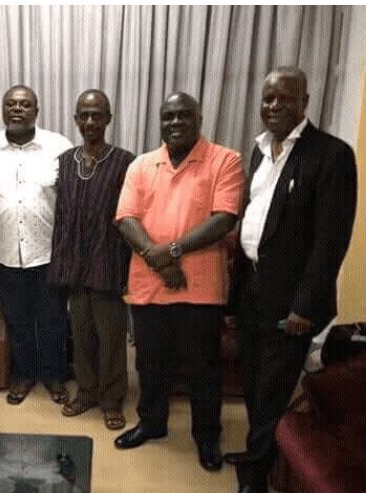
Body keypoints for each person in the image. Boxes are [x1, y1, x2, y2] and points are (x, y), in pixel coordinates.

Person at [225, 67, 357, 493]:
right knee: (252, 380)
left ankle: (255, 476)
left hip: (292, 301)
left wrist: (305, 306)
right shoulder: (261, 150)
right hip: (253, 290)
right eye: (268, 98)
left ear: (305, 101)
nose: (274, 105)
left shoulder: (331, 155)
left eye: (284, 97)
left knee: (272, 389)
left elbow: (330, 242)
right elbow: (255, 219)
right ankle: (259, 452)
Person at [113, 92, 244, 473]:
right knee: (150, 363)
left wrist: (170, 251)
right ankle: (152, 423)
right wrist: (157, 258)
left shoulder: (226, 160)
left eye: (183, 115)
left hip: (200, 287)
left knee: (204, 368)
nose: (175, 123)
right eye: (168, 117)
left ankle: (206, 435)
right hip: (148, 284)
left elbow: (224, 219)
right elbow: (125, 218)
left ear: (199, 118)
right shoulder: (141, 165)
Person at [0, 85, 73, 406]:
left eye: (25, 104)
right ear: (3, 109)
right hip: (4, 252)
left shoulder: (59, 146)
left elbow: (71, 201)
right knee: (17, 320)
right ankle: (25, 374)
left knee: (53, 319)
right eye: (11, 104)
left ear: (36, 111)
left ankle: (54, 375)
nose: (17, 109)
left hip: (49, 252)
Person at [47, 89, 134, 430]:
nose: (90, 121)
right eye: (84, 115)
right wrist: (61, 263)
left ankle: (111, 398)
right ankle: (86, 392)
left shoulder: (125, 161)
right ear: (76, 119)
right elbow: (62, 214)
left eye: (97, 115)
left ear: (108, 118)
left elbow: (131, 216)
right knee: (81, 334)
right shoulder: (65, 161)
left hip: (108, 263)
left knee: (111, 337)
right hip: (74, 265)